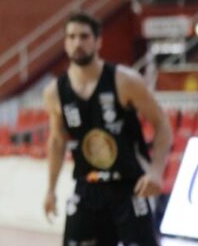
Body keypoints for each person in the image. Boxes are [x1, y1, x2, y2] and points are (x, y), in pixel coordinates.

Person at [43, 12, 171, 246]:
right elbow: (57, 141)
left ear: (98, 41)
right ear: (64, 43)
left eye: (84, 36)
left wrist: (156, 171)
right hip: (87, 187)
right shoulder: (55, 92)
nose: (77, 43)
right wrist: (50, 189)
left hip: (129, 186)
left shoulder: (125, 80)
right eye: (71, 37)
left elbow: (162, 124)